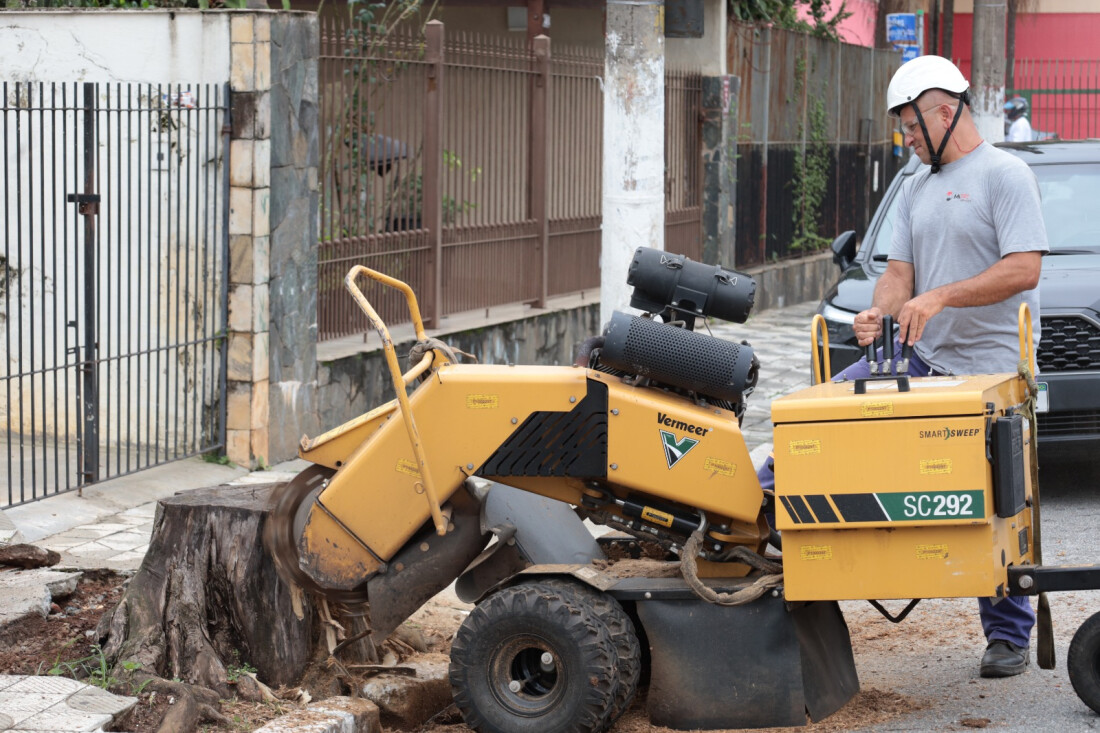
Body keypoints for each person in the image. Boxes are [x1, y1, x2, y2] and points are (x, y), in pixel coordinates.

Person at [757, 55, 1048, 678]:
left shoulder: (1006, 175)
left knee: (999, 498)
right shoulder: (916, 185)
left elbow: (1024, 268)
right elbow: (898, 276)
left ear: (946, 109)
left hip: (994, 368)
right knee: (811, 426)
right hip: (923, 356)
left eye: (912, 126)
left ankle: (1008, 636)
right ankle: (748, 540)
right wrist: (875, 317)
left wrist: (941, 296)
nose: (908, 139)